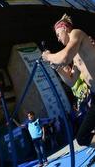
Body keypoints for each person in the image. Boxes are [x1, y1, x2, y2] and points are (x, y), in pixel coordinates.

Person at [42, 14, 95, 148]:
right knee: (82, 138)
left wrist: (48, 56)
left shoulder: (76, 33)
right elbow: (72, 81)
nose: (59, 40)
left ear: (64, 28)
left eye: (58, 35)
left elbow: (64, 57)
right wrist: (59, 69)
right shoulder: (76, 54)